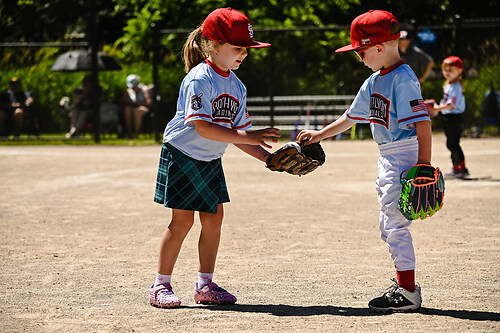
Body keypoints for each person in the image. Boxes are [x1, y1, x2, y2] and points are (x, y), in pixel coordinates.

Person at [297, 10, 434, 313]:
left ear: (378, 48)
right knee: (388, 224)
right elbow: (351, 118)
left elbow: (422, 122)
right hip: (387, 156)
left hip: (404, 154)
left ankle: (408, 291)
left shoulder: (404, 78)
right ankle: (404, 285)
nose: (359, 58)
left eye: (360, 51)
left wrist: (423, 164)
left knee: (395, 224)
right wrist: (319, 135)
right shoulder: (374, 81)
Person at [149, 7, 280, 308]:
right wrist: (250, 136)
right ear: (213, 45)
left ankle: (204, 285)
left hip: (209, 159)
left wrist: (269, 160)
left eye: (247, 49)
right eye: (238, 48)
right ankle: (160, 285)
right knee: (182, 222)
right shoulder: (200, 79)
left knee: (214, 220)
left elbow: (240, 135)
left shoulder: (237, 86)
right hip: (182, 154)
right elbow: (202, 127)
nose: (244, 54)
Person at [426, 56, 468, 178]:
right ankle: (459, 168)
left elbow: (451, 104)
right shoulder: (449, 84)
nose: (447, 73)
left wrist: (436, 108)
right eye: (445, 70)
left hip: (454, 117)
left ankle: (459, 168)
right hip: (449, 117)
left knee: (453, 143)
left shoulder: (455, 86)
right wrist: (437, 106)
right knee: (452, 143)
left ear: (459, 71)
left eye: (451, 70)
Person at [122, 74, 152, 138]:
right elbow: (124, 101)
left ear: (137, 83)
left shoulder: (144, 89)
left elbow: (149, 102)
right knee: (127, 109)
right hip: (133, 108)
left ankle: (136, 133)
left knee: (137, 111)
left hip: (143, 108)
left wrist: (138, 103)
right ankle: (129, 132)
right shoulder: (129, 90)